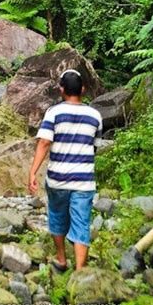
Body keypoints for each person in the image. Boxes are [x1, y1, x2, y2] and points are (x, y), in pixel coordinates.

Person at [28, 69, 103, 271]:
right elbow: (94, 146)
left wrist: (33, 172)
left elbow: (44, 142)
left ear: (61, 90)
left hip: (58, 178)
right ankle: (80, 271)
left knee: (57, 215)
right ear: (83, 90)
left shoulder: (54, 113)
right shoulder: (95, 115)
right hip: (84, 180)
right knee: (81, 222)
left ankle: (62, 260)